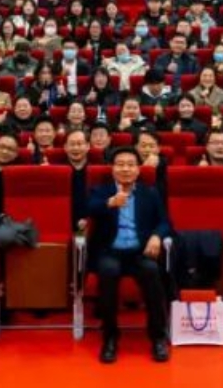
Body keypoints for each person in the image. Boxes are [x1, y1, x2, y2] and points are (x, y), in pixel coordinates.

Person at [85, 147, 172, 364]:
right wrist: (109, 203)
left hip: (139, 252)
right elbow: (88, 208)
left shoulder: (150, 193)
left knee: (152, 271)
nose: (125, 169)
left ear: (138, 170)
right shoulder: (101, 190)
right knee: (108, 270)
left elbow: (164, 222)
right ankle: (110, 337)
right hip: (110, 251)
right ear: (112, 169)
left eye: (131, 165)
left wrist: (157, 236)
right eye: (120, 164)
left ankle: (158, 337)